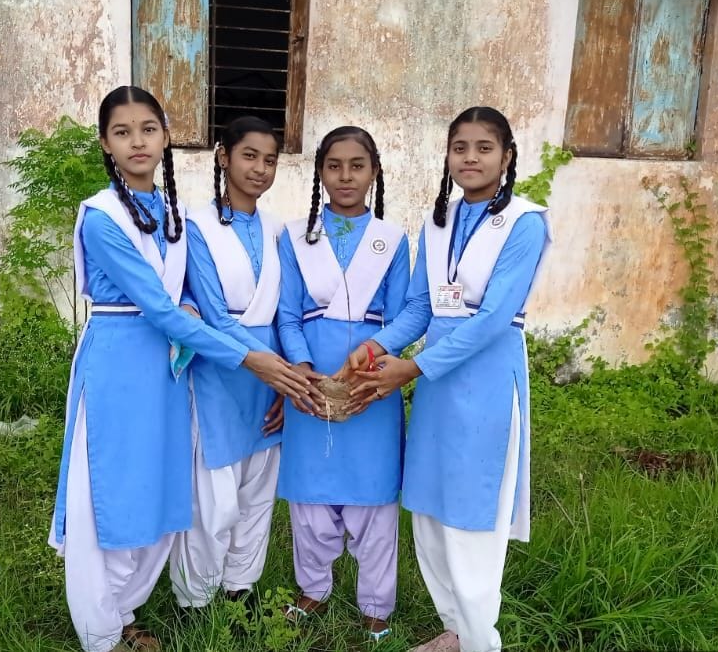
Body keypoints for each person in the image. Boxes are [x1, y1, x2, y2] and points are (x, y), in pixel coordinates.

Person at [48, 86, 316, 652]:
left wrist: (196, 311)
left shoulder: (169, 213)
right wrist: (248, 356)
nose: (137, 142)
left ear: (166, 136)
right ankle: (102, 630)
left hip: (169, 370)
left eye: (148, 129)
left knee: (163, 486)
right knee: (115, 488)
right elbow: (161, 307)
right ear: (105, 143)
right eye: (122, 132)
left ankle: (127, 610)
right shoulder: (102, 217)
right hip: (121, 364)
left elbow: (183, 294)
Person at [345, 107, 552, 652]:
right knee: (431, 512)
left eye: (484, 148)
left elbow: (492, 318)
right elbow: (421, 307)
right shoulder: (439, 222)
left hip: (485, 380)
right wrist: (377, 346)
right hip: (438, 384)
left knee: (470, 517)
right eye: (460, 147)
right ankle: (455, 632)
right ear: (448, 156)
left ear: (507, 156)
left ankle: (482, 641)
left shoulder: (525, 222)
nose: (470, 158)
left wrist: (412, 368)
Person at [275, 126, 409, 642]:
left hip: (371, 378)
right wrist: (302, 367)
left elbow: (408, 314)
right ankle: (313, 587)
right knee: (310, 492)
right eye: (334, 165)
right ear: (320, 172)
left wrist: (375, 355)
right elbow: (288, 315)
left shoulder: (392, 240)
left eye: (357, 165)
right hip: (311, 378)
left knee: (373, 493)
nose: (345, 176)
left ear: (374, 171)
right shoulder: (295, 237)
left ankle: (376, 602)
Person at [169, 116, 288, 608]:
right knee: (213, 493)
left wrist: (284, 380)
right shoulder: (195, 225)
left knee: (258, 485)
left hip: (271, 371)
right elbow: (215, 315)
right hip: (223, 366)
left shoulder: (278, 229)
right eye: (249, 156)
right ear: (223, 157)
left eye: (270, 160)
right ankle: (196, 599)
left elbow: (285, 311)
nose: (259, 169)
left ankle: (241, 589)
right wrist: (268, 365)